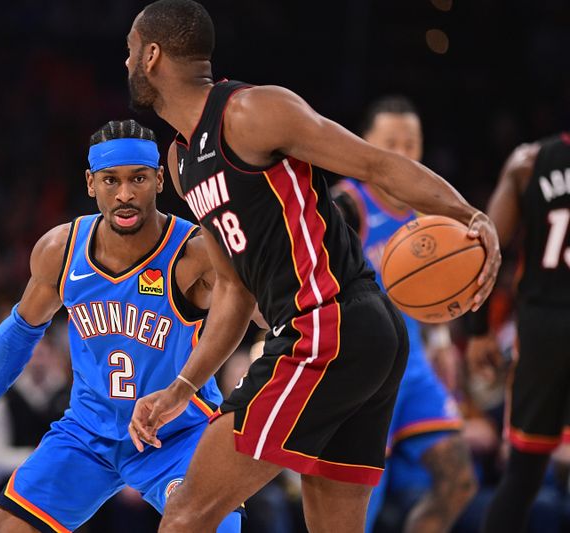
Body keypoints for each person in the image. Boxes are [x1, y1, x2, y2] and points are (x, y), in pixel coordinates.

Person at [124, 2, 501, 532]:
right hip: (354, 335)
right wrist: (182, 387)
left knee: (187, 512)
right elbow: (234, 292)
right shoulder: (181, 162)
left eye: (129, 52)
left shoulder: (252, 112)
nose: (125, 64)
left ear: (152, 55)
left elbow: (376, 165)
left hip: (328, 325)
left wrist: (467, 214)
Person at [0, 119, 243, 533]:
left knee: (204, 526)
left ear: (160, 180)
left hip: (178, 435)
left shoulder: (195, 255)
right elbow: (16, 338)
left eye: (139, 178)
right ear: (90, 183)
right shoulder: (61, 251)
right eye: (111, 180)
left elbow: (247, 312)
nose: (126, 194)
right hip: (88, 433)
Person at [331, 96, 477, 532]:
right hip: (362, 372)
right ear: (366, 145)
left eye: (411, 143)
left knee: (459, 480)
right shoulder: (345, 205)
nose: (402, 153)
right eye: (390, 142)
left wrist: (440, 343)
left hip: (412, 368)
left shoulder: (428, 210)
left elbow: (438, 288)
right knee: (359, 507)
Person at [464, 133, 570, 533]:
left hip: (542, 331)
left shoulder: (529, 162)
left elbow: (486, 248)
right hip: (542, 325)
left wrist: (477, 332)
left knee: (524, 474)